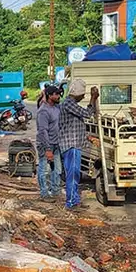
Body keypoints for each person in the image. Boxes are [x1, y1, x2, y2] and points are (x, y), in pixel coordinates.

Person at [59, 78, 99, 210]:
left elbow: (77, 123)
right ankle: (71, 202)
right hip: (71, 145)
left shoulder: (70, 104)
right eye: (83, 95)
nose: (83, 97)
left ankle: (74, 200)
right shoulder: (69, 104)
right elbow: (87, 114)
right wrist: (93, 98)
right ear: (78, 94)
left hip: (74, 143)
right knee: (73, 174)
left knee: (74, 174)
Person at [36, 85, 63, 199]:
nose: (58, 96)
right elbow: (43, 131)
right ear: (49, 95)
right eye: (56, 94)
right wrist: (47, 149)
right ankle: (44, 193)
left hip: (56, 144)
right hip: (45, 145)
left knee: (57, 170)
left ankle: (55, 191)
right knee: (45, 170)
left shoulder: (57, 108)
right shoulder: (43, 111)